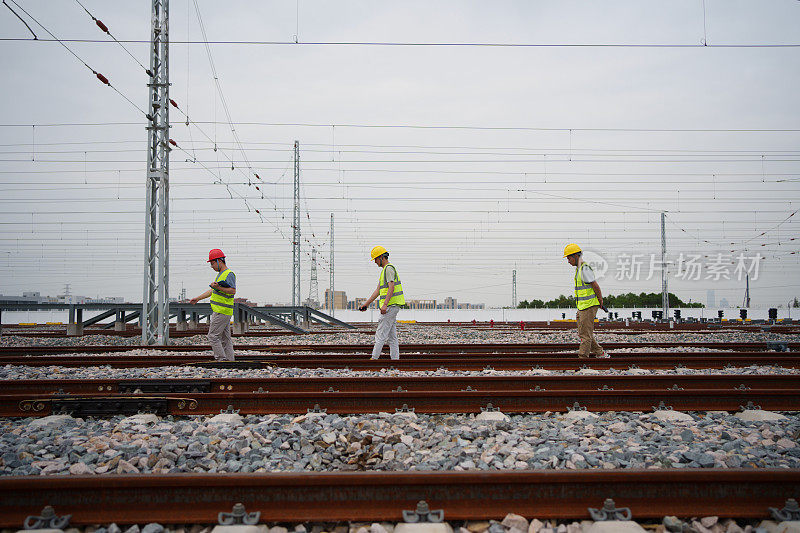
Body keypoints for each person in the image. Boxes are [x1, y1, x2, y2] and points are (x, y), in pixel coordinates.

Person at [359, 245, 405, 360]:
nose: (375, 262)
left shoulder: (388, 269)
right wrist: (366, 304)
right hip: (392, 306)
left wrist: (384, 304)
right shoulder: (385, 271)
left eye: (375, 259)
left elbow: (391, 287)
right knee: (392, 336)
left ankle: (374, 359)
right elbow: (378, 290)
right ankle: (395, 360)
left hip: (390, 306)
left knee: (380, 334)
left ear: (381, 257)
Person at [190, 248, 237, 361]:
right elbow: (213, 291)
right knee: (225, 339)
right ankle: (230, 361)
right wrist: (198, 298)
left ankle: (221, 359)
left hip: (222, 311)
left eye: (212, 263)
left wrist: (218, 287)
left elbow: (232, 290)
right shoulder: (221, 275)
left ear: (219, 261)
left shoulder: (228, 274)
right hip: (223, 311)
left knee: (213, 336)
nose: (211, 266)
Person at [563, 243, 608, 359]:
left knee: (585, 335)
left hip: (588, 306)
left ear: (576, 256)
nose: (568, 261)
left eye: (569, 257)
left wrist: (600, 301)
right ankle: (600, 353)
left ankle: (583, 358)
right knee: (584, 333)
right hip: (583, 306)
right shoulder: (579, 269)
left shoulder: (584, 269)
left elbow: (595, 285)